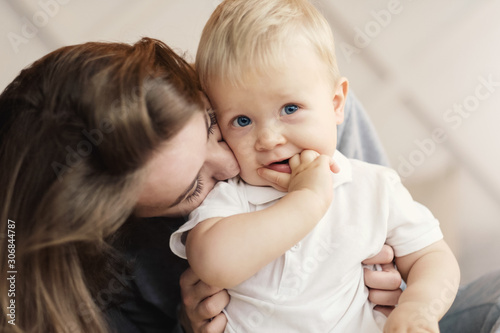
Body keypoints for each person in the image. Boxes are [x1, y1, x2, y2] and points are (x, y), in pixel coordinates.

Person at [0, 37, 401, 333]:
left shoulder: (299, 114)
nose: (231, 163)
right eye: (193, 188)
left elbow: (400, 232)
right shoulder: (104, 291)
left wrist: (404, 283)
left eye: (213, 124)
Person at [169, 0, 461, 331]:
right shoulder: (233, 200)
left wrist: (419, 306)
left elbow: (432, 257)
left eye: (290, 108)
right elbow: (212, 263)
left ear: (336, 104)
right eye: (242, 119)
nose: (268, 138)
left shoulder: (372, 186)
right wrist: (308, 199)